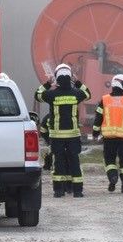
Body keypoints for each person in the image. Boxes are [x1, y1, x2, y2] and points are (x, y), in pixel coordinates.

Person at [36, 63, 90, 197]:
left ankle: (58, 191)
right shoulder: (76, 94)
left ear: (57, 78)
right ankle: (77, 191)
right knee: (74, 161)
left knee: (58, 162)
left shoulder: (51, 94)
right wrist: (77, 82)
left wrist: (48, 84)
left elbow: (37, 95)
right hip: (73, 135)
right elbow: (88, 94)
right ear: (70, 77)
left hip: (56, 136)